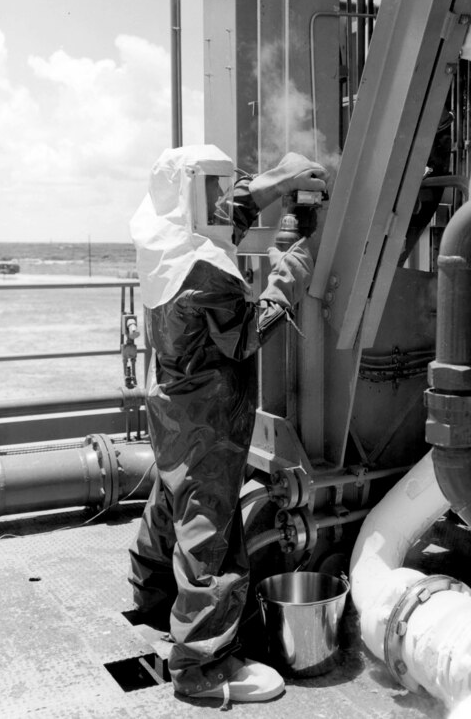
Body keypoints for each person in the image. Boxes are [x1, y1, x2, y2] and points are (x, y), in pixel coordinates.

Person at [128, 144, 329, 703]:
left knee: (172, 500)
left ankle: (152, 598)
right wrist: (293, 266)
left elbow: (221, 213)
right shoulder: (204, 269)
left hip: (174, 403)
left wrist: (279, 179)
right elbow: (244, 336)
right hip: (211, 416)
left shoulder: (164, 238)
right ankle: (203, 665)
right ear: (194, 189)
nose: (225, 195)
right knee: (210, 532)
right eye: (214, 185)